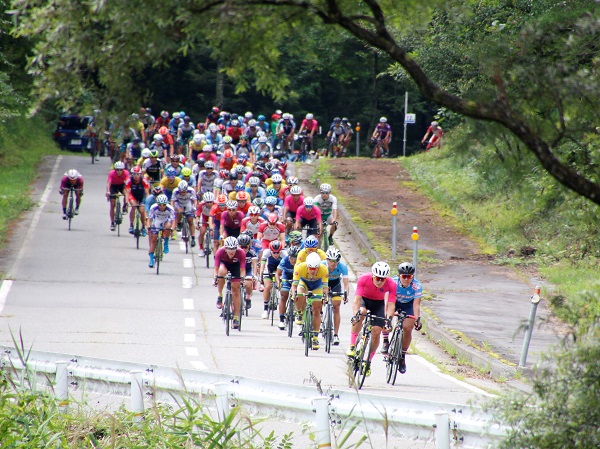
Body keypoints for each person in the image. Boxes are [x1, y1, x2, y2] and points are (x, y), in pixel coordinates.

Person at [345, 262, 397, 377]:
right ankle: (352, 345)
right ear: (373, 275)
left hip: (378, 304)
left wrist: (388, 320)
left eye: (382, 279)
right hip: (364, 300)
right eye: (377, 278)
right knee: (362, 313)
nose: (379, 281)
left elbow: (391, 304)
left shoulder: (391, 284)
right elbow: (357, 300)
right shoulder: (364, 278)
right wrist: (355, 315)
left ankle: (368, 361)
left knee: (376, 331)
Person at [383, 262, 422, 374]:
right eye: (404, 276)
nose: (406, 279)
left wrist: (417, 318)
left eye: (409, 276)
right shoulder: (392, 282)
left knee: (408, 328)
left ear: (412, 277)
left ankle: (402, 356)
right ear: (399, 276)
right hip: (393, 302)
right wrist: (387, 317)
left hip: (408, 305)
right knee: (385, 319)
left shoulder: (417, 286)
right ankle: (385, 341)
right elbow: (387, 301)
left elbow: (416, 305)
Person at [291, 252, 329, 350]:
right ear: (307, 266)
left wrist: (325, 297)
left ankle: (315, 337)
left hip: (317, 285)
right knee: (300, 294)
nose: (313, 271)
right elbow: (294, 286)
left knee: (316, 310)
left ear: (318, 267)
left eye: (315, 268)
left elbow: (325, 287)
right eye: (311, 268)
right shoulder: (300, 267)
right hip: (304, 283)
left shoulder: (324, 269)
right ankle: (299, 313)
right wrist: (294, 294)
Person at [213, 236, 246, 330]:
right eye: (229, 249)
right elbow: (216, 268)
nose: (231, 251)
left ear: (237, 248)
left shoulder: (241, 253)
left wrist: (242, 279)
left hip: (236, 266)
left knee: (236, 290)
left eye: (233, 249)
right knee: (221, 272)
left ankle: (236, 317)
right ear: (225, 248)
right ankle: (220, 295)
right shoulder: (220, 251)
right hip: (224, 264)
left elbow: (242, 270)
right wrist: (215, 278)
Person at [322, 247, 349, 345]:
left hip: (335, 284)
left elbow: (346, 283)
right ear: (327, 259)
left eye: (335, 261)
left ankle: (336, 335)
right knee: (319, 301)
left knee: (336, 306)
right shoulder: (322, 265)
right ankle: (320, 317)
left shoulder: (343, 267)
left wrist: (346, 294)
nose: (333, 263)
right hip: (323, 283)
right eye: (331, 261)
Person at [259, 240, 288, 319]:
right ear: (270, 251)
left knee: (283, 288)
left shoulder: (284, 254)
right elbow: (262, 265)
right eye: (274, 252)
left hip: (280, 269)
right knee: (267, 286)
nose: (276, 254)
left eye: (277, 252)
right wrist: (261, 276)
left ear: (280, 251)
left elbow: (286, 267)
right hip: (269, 269)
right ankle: (265, 309)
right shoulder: (266, 252)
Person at [146, 194, 175, 267]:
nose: (162, 207)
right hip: (157, 221)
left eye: (164, 205)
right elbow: (149, 219)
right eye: (160, 205)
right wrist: (148, 227)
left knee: (168, 226)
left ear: (166, 204)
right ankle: (151, 259)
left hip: (166, 220)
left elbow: (173, 221)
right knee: (153, 239)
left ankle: (166, 242)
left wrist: (172, 229)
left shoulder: (170, 208)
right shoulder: (153, 207)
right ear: (157, 204)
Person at [275, 245, 299, 330]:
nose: (293, 260)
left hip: (297, 279)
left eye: (295, 258)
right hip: (286, 277)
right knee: (283, 296)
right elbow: (277, 274)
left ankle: (297, 314)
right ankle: (281, 319)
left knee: (298, 295)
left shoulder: (301, 262)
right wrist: (278, 283)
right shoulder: (284, 260)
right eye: (291, 258)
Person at [125, 166, 150, 235]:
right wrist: (126, 203)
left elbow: (147, 193)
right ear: (132, 174)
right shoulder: (129, 181)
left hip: (142, 196)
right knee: (133, 206)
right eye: (134, 174)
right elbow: (127, 192)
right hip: (133, 196)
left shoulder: (144, 181)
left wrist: (147, 203)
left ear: (140, 174)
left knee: (142, 210)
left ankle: (143, 227)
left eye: (138, 174)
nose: (136, 176)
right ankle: (131, 225)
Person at [171, 180, 197, 247]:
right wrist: (173, 209)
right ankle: (179, 223)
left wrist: (195, 208)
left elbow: (195, 200)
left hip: (187, 203)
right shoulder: (175, 191)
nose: (183, 193)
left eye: (184, 192)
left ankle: (193, 238)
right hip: (178, 203)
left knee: (190, 220)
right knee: (178, 211)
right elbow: (172, 201)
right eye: (181, 192)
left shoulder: (191, 190)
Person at [106, 161, 130, 231]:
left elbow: (128, 183)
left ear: (123, 169)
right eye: (117, 170)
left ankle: (124, 206)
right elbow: (109, 183)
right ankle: (112, 223)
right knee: (112, 204)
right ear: (115, 169)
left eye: (121, 170)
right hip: (113, 186)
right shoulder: (112, 173)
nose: (119, 171)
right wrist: (108, 191)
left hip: (121, 185)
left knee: (126, 193)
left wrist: (128, 189)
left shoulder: (126, 173)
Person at [237, 233, 258, 311]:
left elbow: (255, 264)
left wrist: (255, 276)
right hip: (237, 269)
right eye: (242, 247)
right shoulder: (235, 252)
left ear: (249, 246)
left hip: (248, 270)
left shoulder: (252, 252)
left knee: (248, 284)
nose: (244, 249)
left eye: (246, 247)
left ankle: (248, 297)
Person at [196, 191, 215, 257]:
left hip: (213, 219)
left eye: (211, 202)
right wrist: (197, 223)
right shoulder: (201, 205)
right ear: (205, 201)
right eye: (207, 202)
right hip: (204, 217)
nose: (209, 204)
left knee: (213, 231)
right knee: (202, 232)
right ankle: (201, 248)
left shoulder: (216, 204)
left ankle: (212, 243)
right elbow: (198, 216)